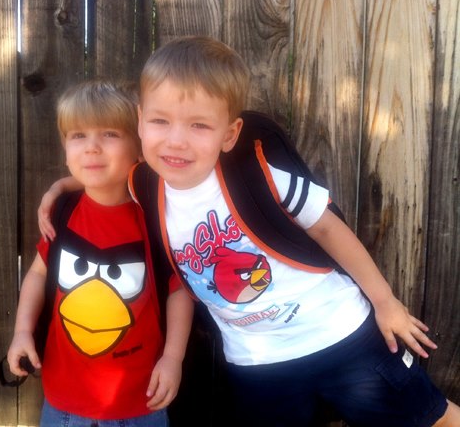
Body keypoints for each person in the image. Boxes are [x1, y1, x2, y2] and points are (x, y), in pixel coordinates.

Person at [38, 37, 460, 426]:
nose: (176, 141)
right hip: (257, 365)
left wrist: (385, 302)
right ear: (140, 121)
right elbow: (101, 174)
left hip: (343, 336)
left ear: (229, 134)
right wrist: (59, 188)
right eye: (160, 121)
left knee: (431, 417)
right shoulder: (145, 185)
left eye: (199, 126)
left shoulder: (258, 177)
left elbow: (328, 229)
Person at [7, 79, 193, 427]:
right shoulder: (63, 212)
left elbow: (179, 290)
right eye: (78, 135)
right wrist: (22, 332)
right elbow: (37, 273)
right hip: (63, 403)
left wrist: (173, 358)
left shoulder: (156, 217)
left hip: (140, 401)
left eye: (109, 134)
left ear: (139, 147)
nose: (91, 147)